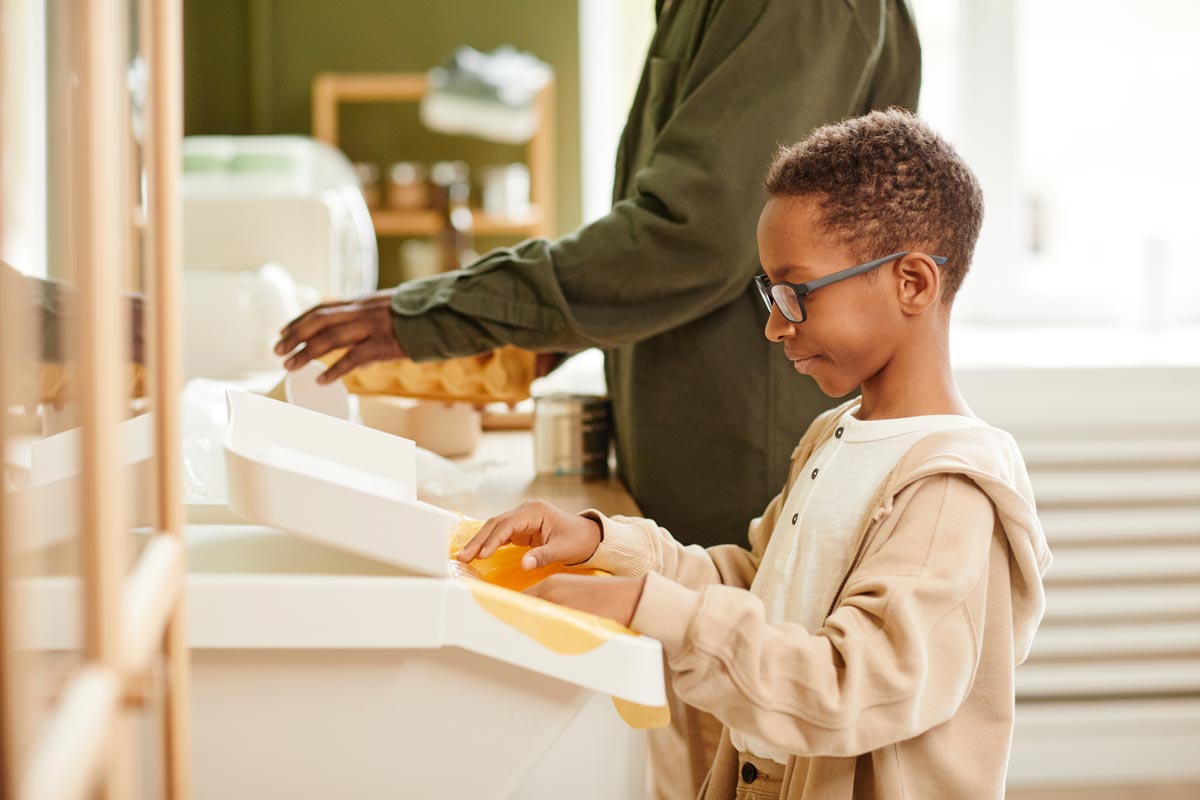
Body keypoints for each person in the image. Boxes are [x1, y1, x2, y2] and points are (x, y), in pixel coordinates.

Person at [456, 109, 1052, 800]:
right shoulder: (834, 436)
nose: (774, 324)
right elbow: (756, 585)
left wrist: (646, 606)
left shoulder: (950, 491)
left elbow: (848, 687)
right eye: (769, 293)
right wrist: (601, 544)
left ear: (912, 283)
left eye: (796, 293)